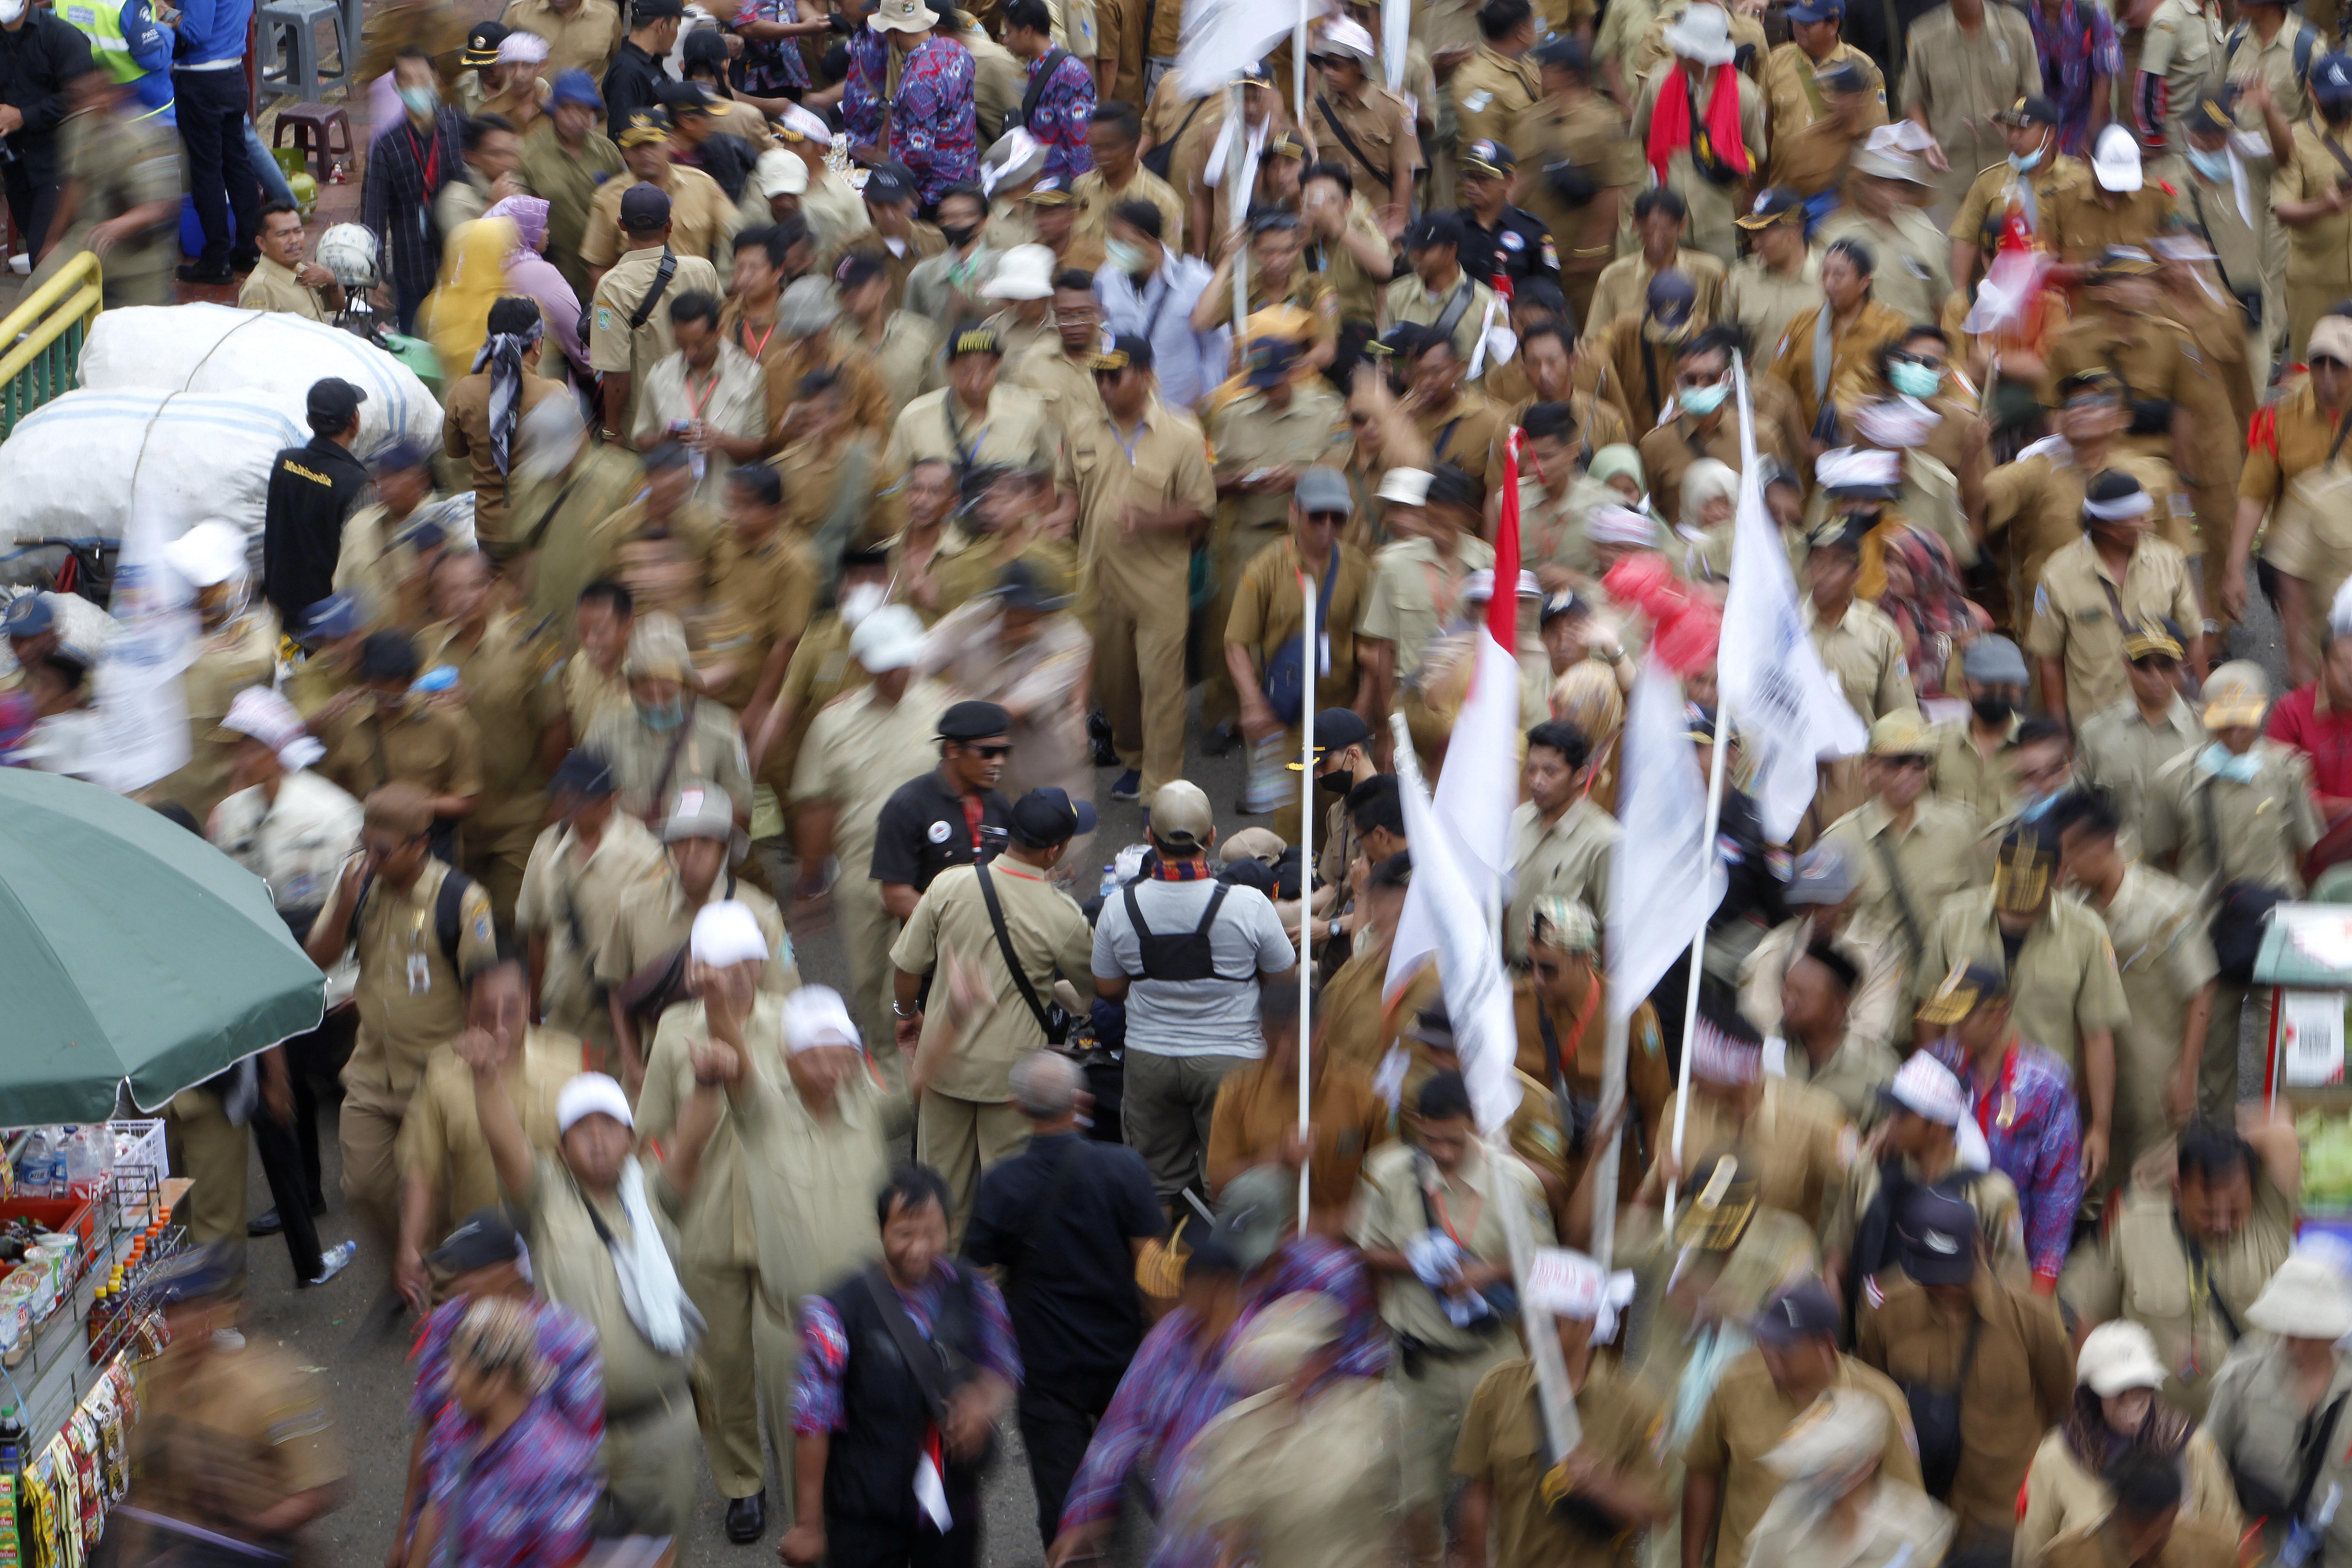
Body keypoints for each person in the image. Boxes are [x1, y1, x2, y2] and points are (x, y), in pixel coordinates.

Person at [465, 1034, 724, 1541]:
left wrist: (710, 1082)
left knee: (665, 1550)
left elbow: (691, 1144)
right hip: (571, 1431)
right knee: (574, 1553)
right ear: (561, 1148)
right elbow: (505, 1143)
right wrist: (485, 1077)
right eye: (582, 1130)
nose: (599, 1140)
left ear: (631, 1138)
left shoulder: (655, 1192)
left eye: (611, 1126)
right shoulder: (542, 1197)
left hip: (661, 1424)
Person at [1354, 1068, 1556, 1568]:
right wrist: (1415, 1260)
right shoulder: (1388, 1172)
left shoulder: (1516, 1183)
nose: (1442, 1152)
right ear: (1417, 1127)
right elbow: (1368, 1249)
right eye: (1430, 1140)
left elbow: (1544, 1263)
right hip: (1419, 1366)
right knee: (1414, 1497)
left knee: (1499, 1490)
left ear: (1476, 1126)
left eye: (1453, 1141)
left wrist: (1487, 1272)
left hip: (1492, 1360)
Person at [964, 1051, 1164, 1543]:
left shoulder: (1003, 1185)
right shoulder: (1125, 1168)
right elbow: (1156, 1270)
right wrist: (1166, 1344)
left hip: (1046, 1370)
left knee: (1063, 1504)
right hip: (1120, 1356)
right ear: (1082, 1102)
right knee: (1135, 1469)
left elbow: (972, 1276)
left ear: (1017, 1107)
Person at [779, 1164, 1020, 1568]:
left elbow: (1002, 1363)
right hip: (865, 1512)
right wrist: (809, 1524)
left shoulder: (976, 1290)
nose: (919, 1248)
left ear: (951, 1227)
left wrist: (984, 1403)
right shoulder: (834, 1312)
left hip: (951, 1506)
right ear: (880, 1231)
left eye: (932, 1233)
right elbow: (813, 1421)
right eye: (904, 1233)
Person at [204, 687, 363, 1291]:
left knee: (348, 1085)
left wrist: (356, 981)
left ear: (273, 747)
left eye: (247, 743)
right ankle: (307, 1199)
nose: (238, 757)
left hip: (332, 975)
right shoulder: (235, 815)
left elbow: (356, 905)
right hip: (271, 974)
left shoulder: (331, 811)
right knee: (284, 1091)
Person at [889, 785, 1098, 1230]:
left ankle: (938, 1287)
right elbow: (1098, 989)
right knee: (1011, 1205)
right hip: (1014, 1084)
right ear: (1054, 851)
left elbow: (907, 966)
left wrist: (906, 1015)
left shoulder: (950, 884)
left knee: (941, 1202)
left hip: (942, 1064)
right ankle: (995, 1290)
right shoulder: (1063, 916)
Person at [302, 784, 498, 1254]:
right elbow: (315, 960)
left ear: (420, 845)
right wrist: (345, 906)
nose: (372, 859)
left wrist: (478, 1066)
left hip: (436, 1076)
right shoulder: (360, 885)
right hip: (371, 1070)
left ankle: (432, 1272)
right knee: (364, 1187)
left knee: (444, 1196)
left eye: (384, 851)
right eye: (365, 846)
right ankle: (409, 1261)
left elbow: (484, 991)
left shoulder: (462, 900)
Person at [1093, 779, 1297, 1207]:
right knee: (1235, 1186)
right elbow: (1283, 979)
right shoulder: (1248, 905)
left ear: (1150, 838)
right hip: (1233, 1062)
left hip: (1150, 1059)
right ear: (1213, 837)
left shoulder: (1120, 907)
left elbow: (1108, 989)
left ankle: (1155, 1272)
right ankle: (1239, 1273)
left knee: (1154, 1188)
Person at [2142, 663, 2321, 1117]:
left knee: (2280, 1054)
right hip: (2208, 933)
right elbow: (2160, 854)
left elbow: (2302, 849)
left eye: (2247, 717)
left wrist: (2275, 890)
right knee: (2212, 1059)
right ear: (2205, 715)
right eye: (2226, 717)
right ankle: (2219, 1159)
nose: (2237, 729)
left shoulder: (2287, 771)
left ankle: (2272, 1157)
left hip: (2275, 930)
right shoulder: (2174, 779)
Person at [1852, 1186, 2075, 1532]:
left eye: (1956, 1272)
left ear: (1980, 1247)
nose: (1947, 1287)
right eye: (1934, 1276)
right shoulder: (1885, 1311)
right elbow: (1874, 1395)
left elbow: (2064, 1399)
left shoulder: (2031, 1316)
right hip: (1920, 1515)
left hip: (2005, 1520)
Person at [390, 1208, 605, 1565]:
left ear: (505, 1274)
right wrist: (404, 1534)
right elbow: (429, 1432)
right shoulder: (449, 1324)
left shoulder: (568, 1343)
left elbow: (581, 1460)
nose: (455, 1286)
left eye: (467, 1273)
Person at [109, 1248, 343, 1564]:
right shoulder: (164, 1373)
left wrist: (245, 1531)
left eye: (191, 1309)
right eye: (171, 1310)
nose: (177, 1323)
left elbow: (317, 1490)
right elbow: (149, 1470)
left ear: (221, 1311)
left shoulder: (276, 1383)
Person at [2060, 1114, 2303, 1417]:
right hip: (2153, 1429)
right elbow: (2092, 1321)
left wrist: (2216, 1144)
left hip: (2251, 1424)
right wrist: (2087, 1408)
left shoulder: (2270, 1219)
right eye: (2209, 1212)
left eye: (2236, 1211)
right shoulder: (2134, 1227)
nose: (2223, 1224)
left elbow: (2282, 1136)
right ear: (2178, 1190)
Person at [1451, 1245, 1670, 1568]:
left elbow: (1657, 1511)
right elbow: (1478, 1493)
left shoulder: (1637, 1405)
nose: (1535, 1334)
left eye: (1553, 1324)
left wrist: (1602, 1484)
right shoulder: (1496, 1392)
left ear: (1588, 1324)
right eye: (1530, 1320)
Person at [1681, 1279, 1926, 1568]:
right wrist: (1692, 1562)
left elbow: (1908, 1504)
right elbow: (1703, 1469)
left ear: (1826, 1345)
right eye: (1765, 1339)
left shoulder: (1879, 1401)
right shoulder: (1736, 1383)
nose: (1770, 1353)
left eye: (1785, 1345)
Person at [392, 948, 578, 1313]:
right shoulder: (442, 1073)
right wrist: (410, 1245)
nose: (498, 1027)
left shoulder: (570, 1065)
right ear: (466, 1010)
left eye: (510, 1010)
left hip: (556, 1262)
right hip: (478, 1270)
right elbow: (422, 1168)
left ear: (529, 1002)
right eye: (484, 1013)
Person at [1071, 333, 1215, 800]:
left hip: (1159, 584)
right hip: (1099, 581)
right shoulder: (1080, 429)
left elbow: (1201, 511)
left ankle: (1162, 787)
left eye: (1115, 374)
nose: (1105, 385)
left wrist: (1150, 520)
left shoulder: (1183, 434)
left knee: (1162, 690)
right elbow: (1068, 494)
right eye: (1098, 375)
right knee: (1115, 688)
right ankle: (1134, 759)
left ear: (1147, 376)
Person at [2053, 791, 2218, 1179]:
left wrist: (2186, 1073)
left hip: (2156, 1076)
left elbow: (2201, 988)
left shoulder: (2166, 906)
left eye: (2075, 851)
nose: (2068, 865)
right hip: (2094, 1078)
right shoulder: (2070, 909)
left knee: (2155, 1184)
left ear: (2108, 843)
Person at [1174, 1292, 1404, 1567]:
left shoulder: (1369, 1410)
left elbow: (1397, 1511)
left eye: (1314, 1357)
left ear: (1328, 1358)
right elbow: (1231, 1540)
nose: (1305, 1371)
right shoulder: (1244, 1432)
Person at [2014, 1320, 2244, 1567]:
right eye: (2120, 1392)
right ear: (2092, 1395)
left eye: (2142, 1389)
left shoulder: (2191, 1444)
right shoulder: (2056, 1457)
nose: (2134, 1401)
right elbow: (2031, 1554)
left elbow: (2227, 1533)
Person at [408, 1293, 603, 1568]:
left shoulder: (556, 1473)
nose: (447, 1379)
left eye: (461, 1367)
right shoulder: (457, 1423)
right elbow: (436, 1506)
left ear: (496, 1380)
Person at [1209, 975, 1391, 1232]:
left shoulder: (1365, 1092)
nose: (1282, 1053)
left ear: (1321, 1030)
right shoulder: (1237, 1090)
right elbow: (1219, 1188)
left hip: (1342, 1242)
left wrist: (1323, 1227)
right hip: (1261, 1242)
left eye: (1295, 1037)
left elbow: (1389, 1194)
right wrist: (1276, 1158)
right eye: (1271, 1039)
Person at [1738, 1389, 1955, 1568]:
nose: (1814, 1479)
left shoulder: (1917, 1529)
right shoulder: (1784, 1520)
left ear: (1868, 1465)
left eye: (1826, 1465)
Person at [590, 181, 727, 441]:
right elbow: (724, 334)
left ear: (621, 225)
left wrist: (613, 430)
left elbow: (616, 372)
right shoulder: (702, 270)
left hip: (651, 427)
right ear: (670, 226)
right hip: (707, 415)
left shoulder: (612, 286)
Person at [1630, 4, 1764, 265]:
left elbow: (1756, 155)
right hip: (1666, 218)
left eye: (1685, 47)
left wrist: (1745, 207)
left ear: (1702, 54)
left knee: (1715, 290)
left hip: (1717, 219)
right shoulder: (1659, 81)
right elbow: (1645, 135)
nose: (1677, 51)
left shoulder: (1744, 94)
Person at [1900, 0, 2042, 222]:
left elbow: (2032, 92)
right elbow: (1913, 100)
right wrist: (1926, 142)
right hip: (1949, 173)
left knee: (2008, 247)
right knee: (1952, 251)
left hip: (2006, 167)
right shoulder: (1924, 34)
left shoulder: (2016, 27)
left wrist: (2012, 117)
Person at [2074, 622, 2207, 845]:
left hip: (2188, 872)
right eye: (2142, 663)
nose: (2154, 675)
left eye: (2165, 664)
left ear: (2182, 666)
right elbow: (2079, 810)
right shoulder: (2095, 734)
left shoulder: (2207, 730)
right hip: (2121, 872)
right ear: (2126, 665)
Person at [364, 49, 469, 330]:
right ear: (396, 88)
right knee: (416, 345)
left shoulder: (458, 123)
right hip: (413, 268)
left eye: (422, 78)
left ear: (436, 79)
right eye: (407, 81)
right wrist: (375, 277)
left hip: (461, 260)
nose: (415, 87)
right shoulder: (386, 145)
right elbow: (374, 214)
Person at [260, 379, 374, 631]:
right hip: (326, 624)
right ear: (354, 421)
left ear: (310, 422)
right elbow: (359, 562)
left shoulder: (285, 462)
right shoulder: (358, 484)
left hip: (282, 616)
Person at [520, 69, 625, 303]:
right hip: (557, 271)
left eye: (583, 109)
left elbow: (624, 200)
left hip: (607, 269)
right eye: (567, 109)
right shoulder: (530, 155)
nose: (575, 118)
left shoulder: (607, 151)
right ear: (554, 111)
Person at [2043, 1449, 2242, 1568]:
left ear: (2175, 1512)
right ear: (2116, 1511)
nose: (2143, 1546)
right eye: (2137, 1523)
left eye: (2158, 1532)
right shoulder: (2064, 1560)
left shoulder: (2215, 1552)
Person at [238, 203, 348, 319]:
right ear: (262, 243)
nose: (294, 240)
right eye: (282, 234)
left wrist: (332, 279)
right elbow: (254, 335)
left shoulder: (302, 271)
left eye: (298, 231)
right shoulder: (260, 288)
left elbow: (339, 305)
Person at [600, 0, 678, 136]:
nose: (677, 34)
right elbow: (622, 136)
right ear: (662, 26)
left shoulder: (651, 61)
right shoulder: (627, 72)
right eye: (677, 26)